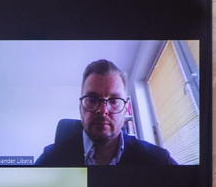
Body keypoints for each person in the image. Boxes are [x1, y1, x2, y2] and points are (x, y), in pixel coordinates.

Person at [34, 59, 177, 166]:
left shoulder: (157, 160)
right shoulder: (51, 159)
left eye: (114, 101)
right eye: (92, 99)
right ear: (80, 107)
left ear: (125, 109)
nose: (102, 111)